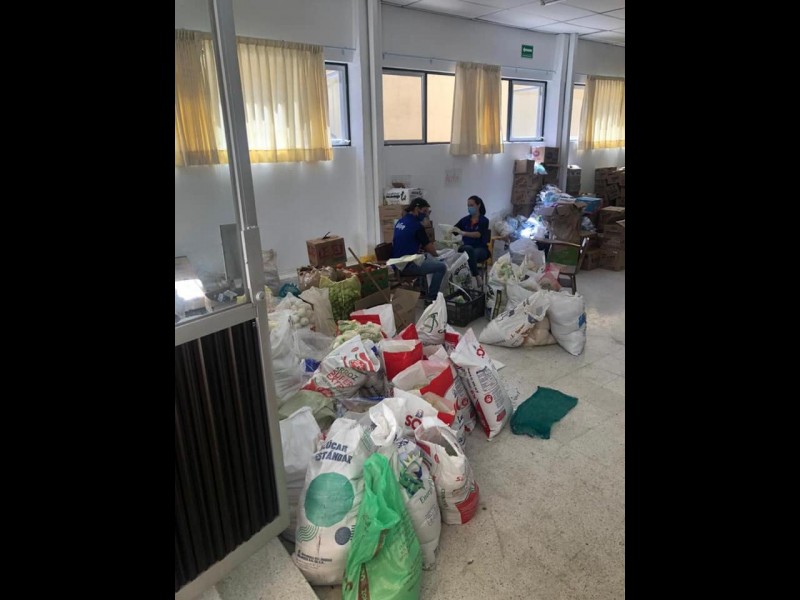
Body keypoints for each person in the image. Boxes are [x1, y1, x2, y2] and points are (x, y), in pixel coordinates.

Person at [391, 197, 447, 301]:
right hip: (407, 265)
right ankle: (431, 298)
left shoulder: (400, 222)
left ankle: (421, 289)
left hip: (396, 263)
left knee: (425, 257)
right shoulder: (416, 226)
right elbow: (429, 248)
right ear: (417, 209)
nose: (426, 215)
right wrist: (439, 256)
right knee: (441, 267)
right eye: (424, 211)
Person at [452, 195, 491, 278]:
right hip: (466, 247)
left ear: (478, 205)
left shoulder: (484, 220)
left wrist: (463, 233)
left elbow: (478, 234)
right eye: (468, 206)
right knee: (467, 249)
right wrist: (448, 230)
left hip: (480, 248)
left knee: (471, 254)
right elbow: (454, 230)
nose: (469, 208)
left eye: (472, 205)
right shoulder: (465, 220)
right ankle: (476, 277)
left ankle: (469, 277)